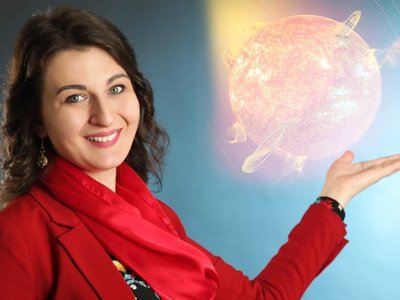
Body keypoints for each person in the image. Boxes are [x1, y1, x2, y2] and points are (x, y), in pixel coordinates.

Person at [0, 6, 399, 300]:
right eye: (74, 97)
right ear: (37, 120)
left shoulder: (155, 220)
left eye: (117, 88)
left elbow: (261, 298)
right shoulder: (18, 233)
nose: (105, 116)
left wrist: (333, 199)